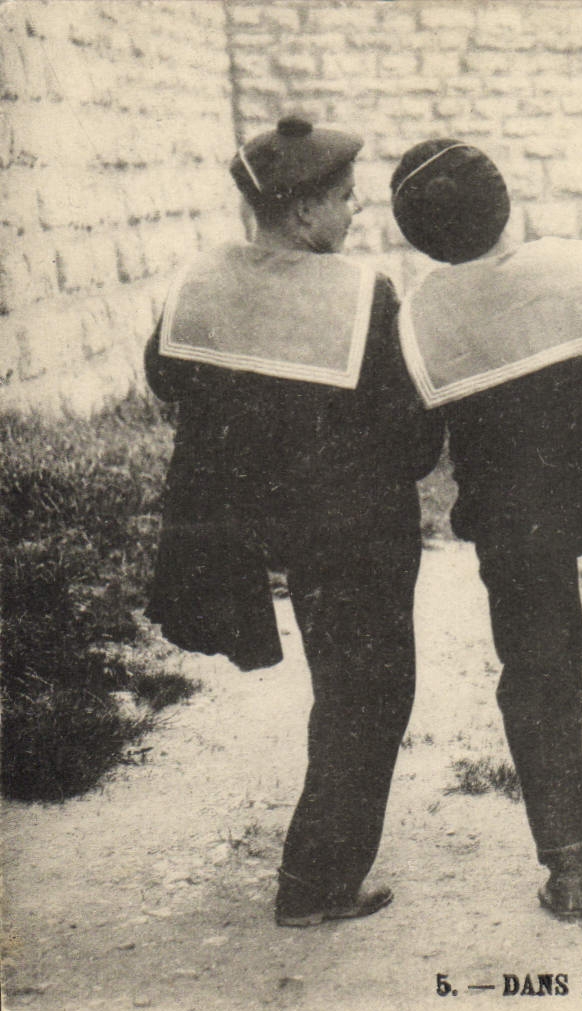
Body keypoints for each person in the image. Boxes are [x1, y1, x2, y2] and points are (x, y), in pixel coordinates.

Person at [145, 116, 444, 927]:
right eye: (345, 199)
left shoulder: (197, 278)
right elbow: (413, 438)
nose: (354, 215)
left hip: (232, 518)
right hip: (345, 527)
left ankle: (318, 870)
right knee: (367, 689)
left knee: (343, 687)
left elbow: (164, 379)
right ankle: (318, 882)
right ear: (306, 213)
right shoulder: (363, 294)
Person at [388, 139, 582, 923]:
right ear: (505, 201)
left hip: (515, 518)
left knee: (539, 671)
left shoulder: (421, 316)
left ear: (420, 236)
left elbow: (419, 445)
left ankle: (569, 863)